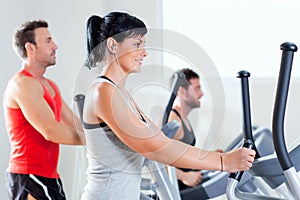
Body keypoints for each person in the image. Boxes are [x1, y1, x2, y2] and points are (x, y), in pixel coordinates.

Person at [81, 12, 255, 200]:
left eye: (144, 45)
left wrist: (214, 157)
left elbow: (160, 140)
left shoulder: (122, 94)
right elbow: (155, 148)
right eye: (137, 44)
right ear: (113, 45)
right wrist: (223, 161)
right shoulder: (103, 92)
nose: (145, 52)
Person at [3, 19, 85, 200]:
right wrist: (97, 140)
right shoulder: (22, 84)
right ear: (30, 48)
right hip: (28, 174)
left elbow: (73, 123)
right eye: (48, 41)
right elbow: (51, 131)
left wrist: (103, 131)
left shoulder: (50, 86)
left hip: (50, 175)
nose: (55, 46)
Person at [168, 68, 223, 190]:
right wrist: (183, 176)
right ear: (182, 91)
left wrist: (210, 156)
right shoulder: (173, 122)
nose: (202, 93)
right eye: (197, 88)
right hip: (177, 193)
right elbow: (156, 161)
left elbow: (184, 156)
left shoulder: (183, 119)